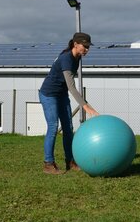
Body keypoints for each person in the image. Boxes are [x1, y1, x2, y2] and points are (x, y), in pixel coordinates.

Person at [39, 32, 99, 175]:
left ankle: (70, 161)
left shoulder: (76, 58)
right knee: (53, 127)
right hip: (49, 94)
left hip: (61, 95)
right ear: (76, 44)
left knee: (68, 128)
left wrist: (86, 104)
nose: (87, 49)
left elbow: (68, 87)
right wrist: (85, 106)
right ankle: (48, 164)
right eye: (85, 46)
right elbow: (71, 86)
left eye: (88, 47)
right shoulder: (66, 58)